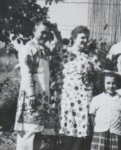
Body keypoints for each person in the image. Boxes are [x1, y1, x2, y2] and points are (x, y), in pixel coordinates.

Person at [14, 20, 63, 150]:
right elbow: (26, 72)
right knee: (28, 133)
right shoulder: (27, 49)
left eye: (48, 33)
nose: (46, 36)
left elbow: (59, 46)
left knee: (39, 132)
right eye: (43, 32)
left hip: (43, 97)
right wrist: (31, 95)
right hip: (32, 95)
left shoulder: (45, 50)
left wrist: (56, 32)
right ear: (34, 31)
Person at [59, 25, 103, 150]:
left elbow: (102, 72)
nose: (86, 41)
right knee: (68, 132)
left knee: (80, 133)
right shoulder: (64, 53)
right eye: (82, 37)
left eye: (87, 38)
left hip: (84, 98)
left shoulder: (90, 56)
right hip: (67, 98)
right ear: (73, 38)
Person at [89, 72, 121, 150]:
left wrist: (120, 129)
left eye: (113, 83)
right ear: (103, 83)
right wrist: (96, 129)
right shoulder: (97, 99)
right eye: (108, 83)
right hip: (99, 133)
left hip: (116, 134)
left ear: (117, 84)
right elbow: (92, 117)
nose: (111, 86)